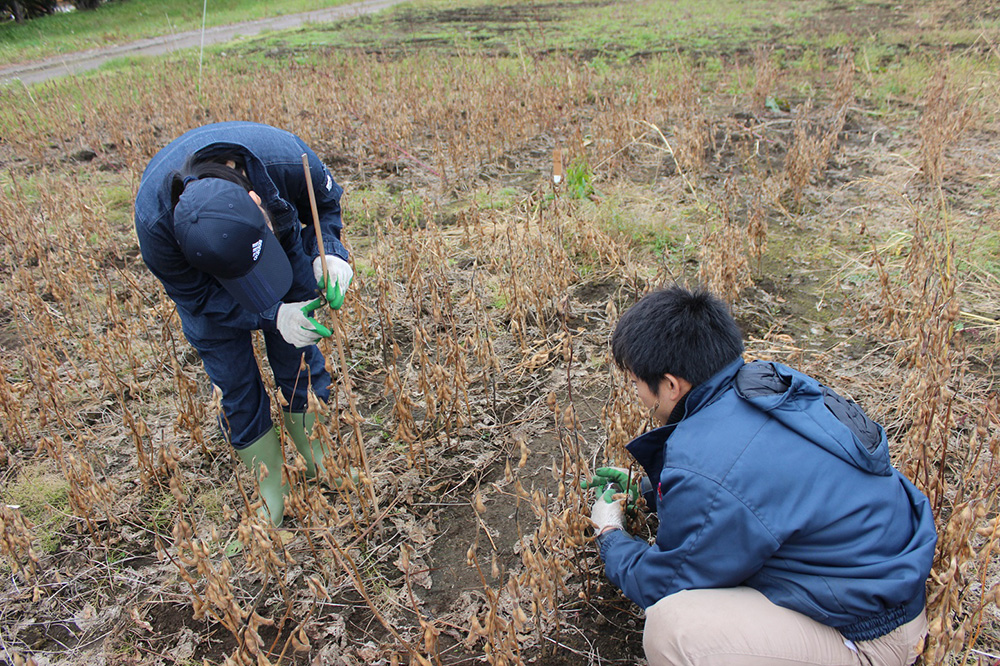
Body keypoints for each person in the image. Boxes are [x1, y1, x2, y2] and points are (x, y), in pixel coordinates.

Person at [586, 286, 937, 666]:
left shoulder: (705, 461)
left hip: (870, 636)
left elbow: (664, 583)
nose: (636, 392)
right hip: (885, 584)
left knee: (672, 629)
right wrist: (646, 492)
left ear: (671, 385)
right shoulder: (768, 382)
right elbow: (753, 487)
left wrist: (611, 536)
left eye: (636, 381)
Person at [135, 121, 354, 527]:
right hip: (209, 290)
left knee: (298, 354)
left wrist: (332, 253)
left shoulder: (288, 158)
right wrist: (272, 315)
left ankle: (318, 459)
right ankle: (271, 487)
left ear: (256, 200)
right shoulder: (155, 229)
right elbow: (199, 298)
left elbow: (325, 206)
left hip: (283, 251)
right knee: (233, 378)